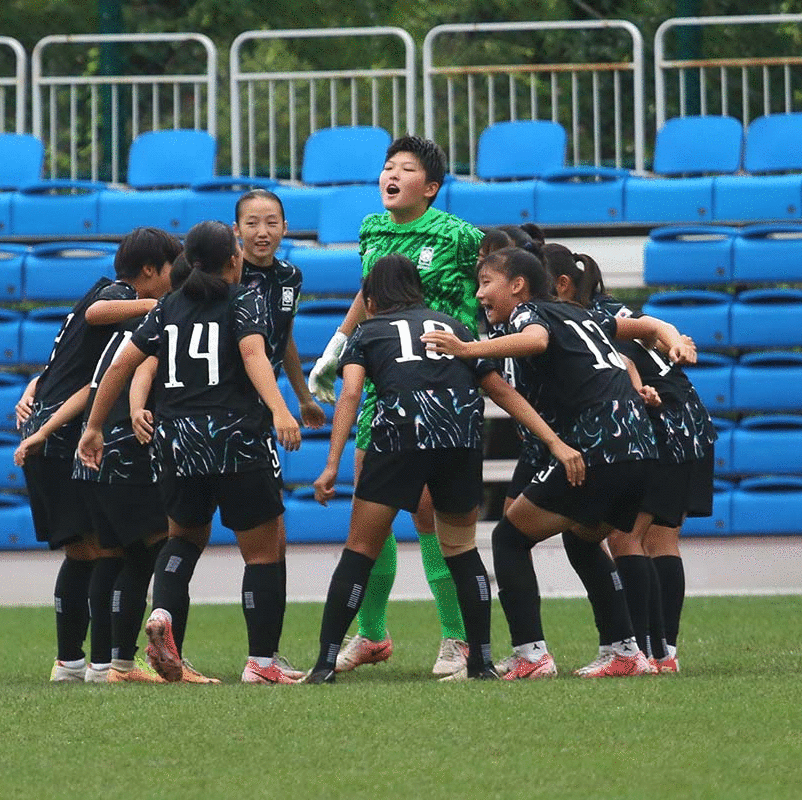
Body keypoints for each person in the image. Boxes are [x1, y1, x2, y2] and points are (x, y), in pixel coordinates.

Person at [303, 254, 583, 683]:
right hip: (460, 441)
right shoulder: (454, 326)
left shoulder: (368, 330)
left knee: (360, 551)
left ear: (372, 299)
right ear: (417, 289)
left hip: (399, 438)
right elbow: (500, 391)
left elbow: (350, 396)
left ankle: (324, 665)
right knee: (461, 551)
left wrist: (331, 464)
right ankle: (481, 663)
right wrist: (555, 442)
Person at [422, 246, 696, 680]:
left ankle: (531, 656)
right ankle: (625, 651)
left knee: (511, 536)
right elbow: (648, 325)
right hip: (641, 448)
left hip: (599, 446)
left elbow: (536, 341)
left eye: (486, 283)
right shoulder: (582, 313)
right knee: (583, 539)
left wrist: (467, 348)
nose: (479, 295)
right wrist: (673, 338)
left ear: (518, 285)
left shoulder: (528, 315)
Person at [78, 220, 303, 685]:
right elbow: (254, 356)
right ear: (233, 260)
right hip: (235, 438)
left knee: (182, 541)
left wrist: (95, 426)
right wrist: (281, 410)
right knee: (263, 553)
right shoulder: (244, 299)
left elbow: (122, 363)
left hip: (177, 443)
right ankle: (262, 663)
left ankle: (162, 614)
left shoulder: (167, 307)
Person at [306, 135, 484, 676]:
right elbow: (369, 294)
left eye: (406, 169)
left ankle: (457, 639)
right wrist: (338, 344)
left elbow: (492, 288)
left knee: (431, 512)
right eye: (388, 167)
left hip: (439, 390)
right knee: (369, 505)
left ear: (430, 187)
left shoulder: (461, 236)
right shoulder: (372, 229)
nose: (392, 175)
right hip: (383, 384)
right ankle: (372, 634)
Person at [63, 229, 222, 684]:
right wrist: (135, 410)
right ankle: (136, 661)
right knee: (157, 551)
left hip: (96, 445)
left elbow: (105, 371)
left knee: (113, 555)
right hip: (124, 447)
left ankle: (106, 665)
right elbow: (139, 368)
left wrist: (89, 428)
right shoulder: (155, 314)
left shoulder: (132, 320)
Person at [14, 232, 172, 683]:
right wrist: (161, 308)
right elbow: (97, 377)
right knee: (112, 552)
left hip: (46, 429)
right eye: (168, 274)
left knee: (82, 553)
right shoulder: (118, 298)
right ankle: (106, 665)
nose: (171, 284)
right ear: (149, 272)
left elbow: (62, 364)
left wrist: (33, 395)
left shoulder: (97, 290)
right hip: (64, 436)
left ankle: (71, 663)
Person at [563, 251, 715, 675]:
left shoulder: (580, 319)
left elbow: (631, 356)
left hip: (657, 422)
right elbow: (652, 334)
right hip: (691, 421)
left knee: (625, 538)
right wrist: (674, 343)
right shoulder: (613, 309)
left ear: (561, 284)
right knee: (662, 541)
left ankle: (639, 652)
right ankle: (664, 652)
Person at [235, 188, 327, 679]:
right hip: (238, 415)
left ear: (285, 228)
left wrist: (303, 396)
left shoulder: (290, 277)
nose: (262, 231)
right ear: (236, 231)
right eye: (252, 222)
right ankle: (261, 660)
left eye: (271, 221)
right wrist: (277, 410)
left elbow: (282, 338)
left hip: (265, 412)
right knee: (266, 540)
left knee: (274, 538)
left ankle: (265, 654)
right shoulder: (224, 275)